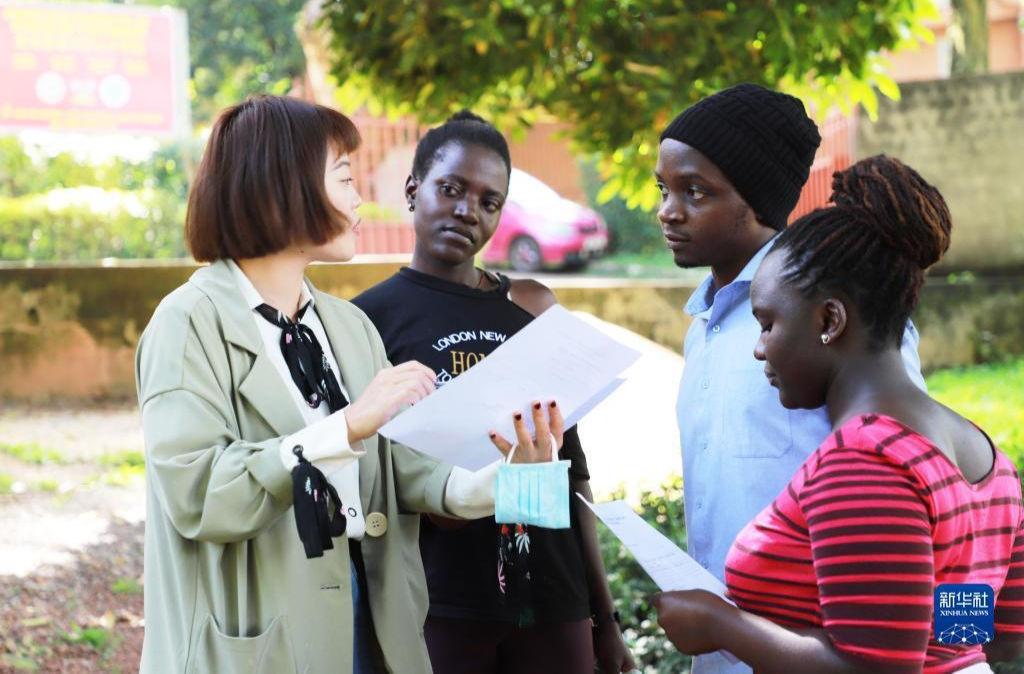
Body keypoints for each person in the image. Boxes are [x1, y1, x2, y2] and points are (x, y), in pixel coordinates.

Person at [135, 96, 564, 674]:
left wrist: (519, 481)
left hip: (373, 615)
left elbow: (410, 475)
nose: (360, 198)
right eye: (343, 177)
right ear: (281, 185)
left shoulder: (347, 326)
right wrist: (348, 424)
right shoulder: (187, 322)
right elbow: (200, 494)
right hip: (261, 633)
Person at [654, 155, 1024, 672]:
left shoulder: (864, 461)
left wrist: (721, 625)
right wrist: (922, 636)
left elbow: (876, 670)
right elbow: (992, 640)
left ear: (830, 319)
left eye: (767, 324)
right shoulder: (987, 456)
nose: (760, 349)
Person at [353, 111, 636, 674]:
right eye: (451, 189)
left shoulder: (530, 306)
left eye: (489, 200)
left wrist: (603, 619)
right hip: (444, 602)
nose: (468, 211)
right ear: (413, 191)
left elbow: (571, 471)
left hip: (552, 600)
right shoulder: (368, 319)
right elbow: (374, 479)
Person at [656, 83, 926, 672]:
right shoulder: (703, 325)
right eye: (664, 189)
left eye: (694, 191)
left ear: (753, 201)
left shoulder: (839, 313)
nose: (667, 210)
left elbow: (934, 500)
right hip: (724, 655)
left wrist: (955, 650)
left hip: (823, 655)